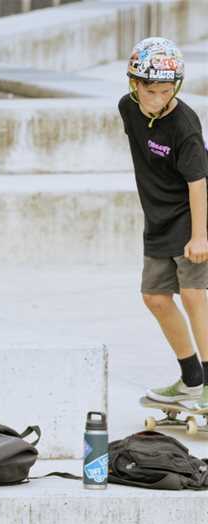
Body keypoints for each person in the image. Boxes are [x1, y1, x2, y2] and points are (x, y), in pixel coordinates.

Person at [120, 37, 208, 403]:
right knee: (155, 297)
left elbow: (198, 183)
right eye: (152, 91)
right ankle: (191, 379)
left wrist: (200, 236)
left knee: (193, 295)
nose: (160, 98)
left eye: (167, 91)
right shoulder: (127, 108)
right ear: (134, 86)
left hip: (193, 216)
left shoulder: (184, 125)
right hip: (158, 219)